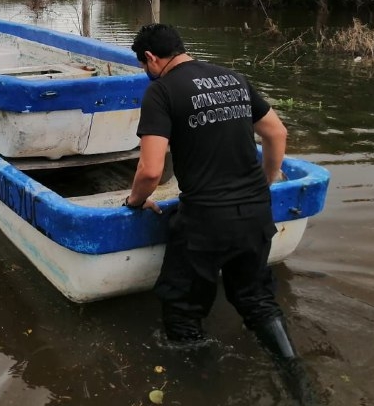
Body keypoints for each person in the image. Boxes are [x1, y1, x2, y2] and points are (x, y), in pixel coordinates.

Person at [124, 23, 316, 403]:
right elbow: (276, 133)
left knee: (182, 310)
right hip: (255, 213)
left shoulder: (161, 91)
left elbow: (150, 170)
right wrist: (264, 182)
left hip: (205, 220)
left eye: (144, 65)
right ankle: (298, 380)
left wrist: (134, 201)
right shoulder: (232, 78)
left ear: (150, 58)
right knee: (257, 300)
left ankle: (208, 388)